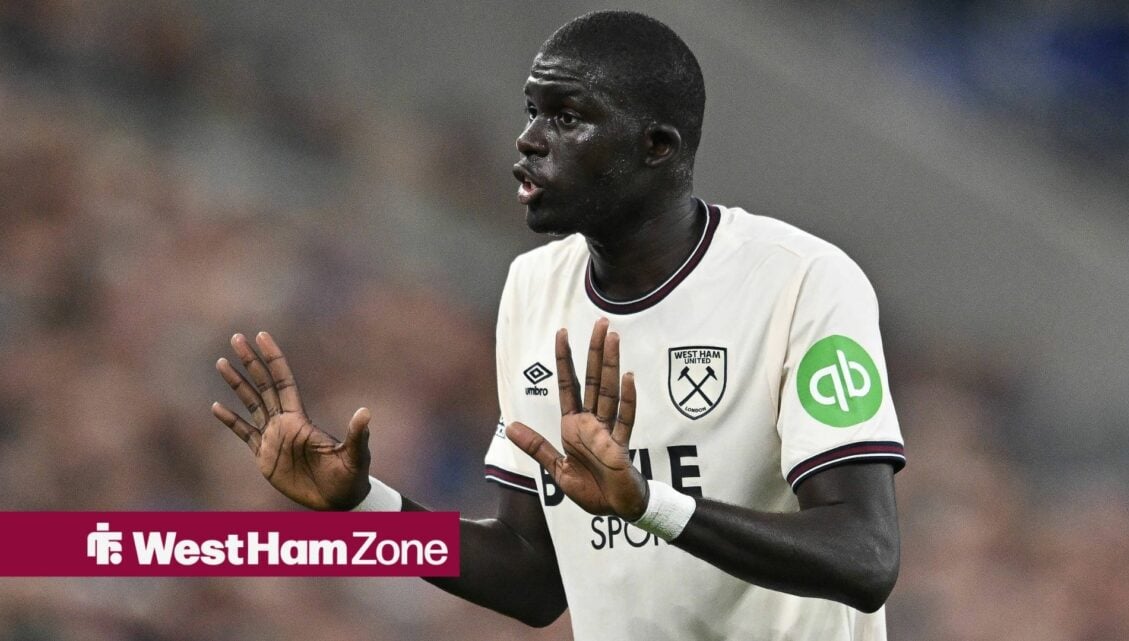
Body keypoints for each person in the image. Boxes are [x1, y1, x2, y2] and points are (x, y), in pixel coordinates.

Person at [211, 10, 905, 641]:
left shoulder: (802, 280)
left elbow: (865, 556)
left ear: (657, 145)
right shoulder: (533, 289)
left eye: (567, 117)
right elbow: (533, 575)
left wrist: (647, 502)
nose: (529, 139)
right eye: (531, 111)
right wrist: (365, 506)